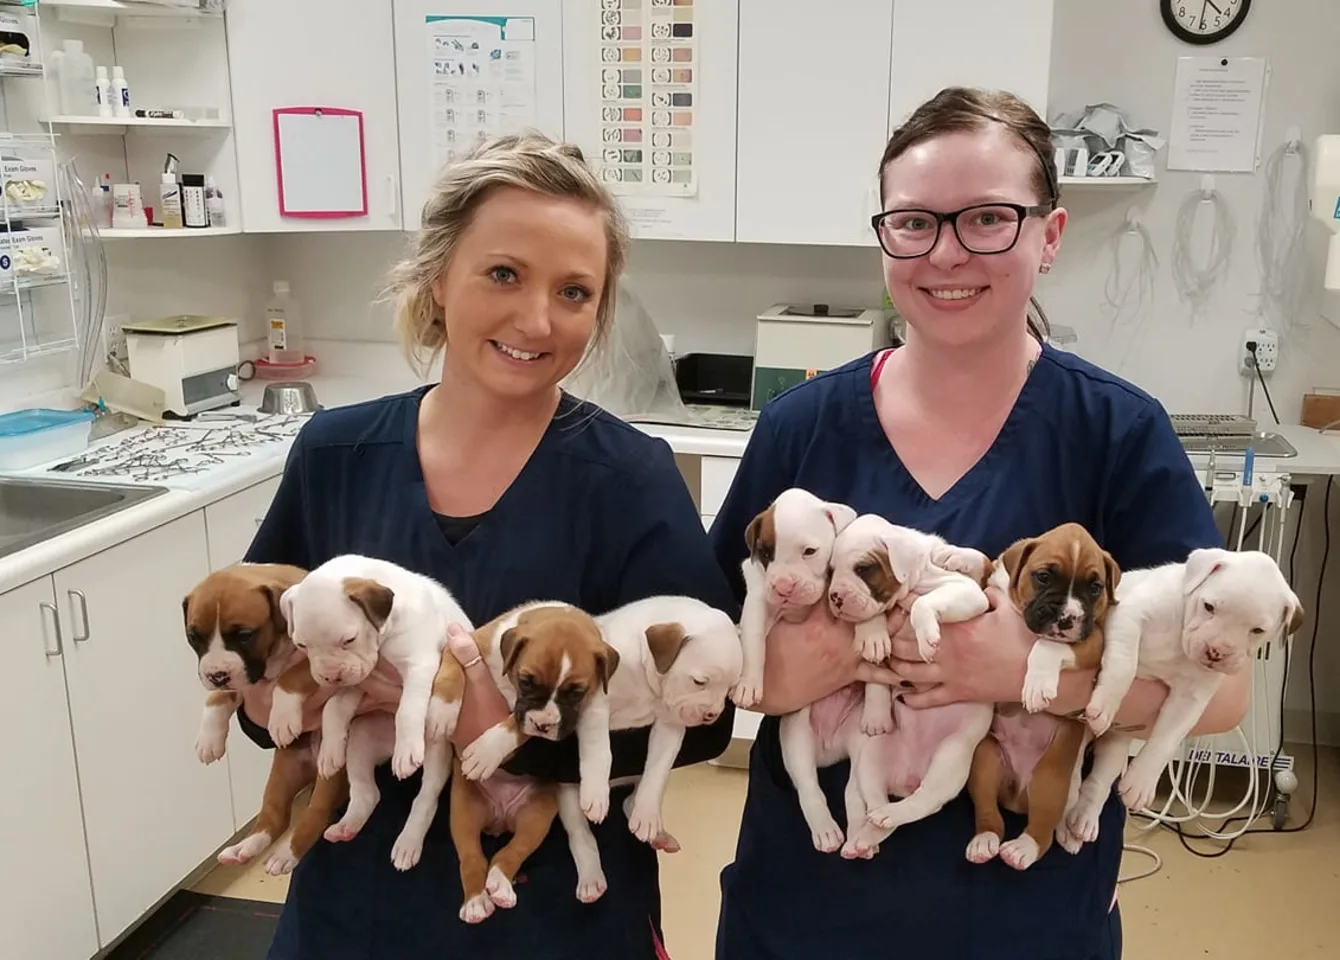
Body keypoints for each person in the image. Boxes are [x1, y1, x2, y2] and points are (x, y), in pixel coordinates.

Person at [708, 86, 1247, 960]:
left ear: (1051, 235)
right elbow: (710, 659)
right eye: (915, 223)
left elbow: (1225, 694)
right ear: (883, 234)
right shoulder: (801, 428)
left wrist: (1029, 673)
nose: (947, 253)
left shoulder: (1117, 432)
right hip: (809, 906)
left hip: (1024, 916)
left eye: (989, 218)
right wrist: (817, 663)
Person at [234, 132, 736, 959]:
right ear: (438, 277)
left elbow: (710, 722)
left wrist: (506, 728)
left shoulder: (630, 480)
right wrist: (280, 703)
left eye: (575, 292)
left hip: (550, 918)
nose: (536, 319)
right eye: (503, 274)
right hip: (355, 913)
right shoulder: (335, 456)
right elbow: (259, 660)